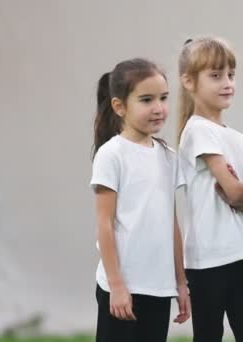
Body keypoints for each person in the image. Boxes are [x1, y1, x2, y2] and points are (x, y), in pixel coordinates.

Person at [177, 37, 243, 342]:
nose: (227, 82)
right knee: (208, 336)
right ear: (189, 82)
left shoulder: (239, 140)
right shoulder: (196, 130)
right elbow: (235, 193)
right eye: (215, 76)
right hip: (207, 261)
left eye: (231, 74)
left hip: (241, 255)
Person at [90, 58, 190, 342]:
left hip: (158, 288)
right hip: (122, 289)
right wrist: (117, 285)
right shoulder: (112, 155)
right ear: (119, 106)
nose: (158, 108)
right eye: (147, 100)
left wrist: (181, 283)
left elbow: (170, 224)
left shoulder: (169, 157)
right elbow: (104, 224)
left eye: (163, 98)